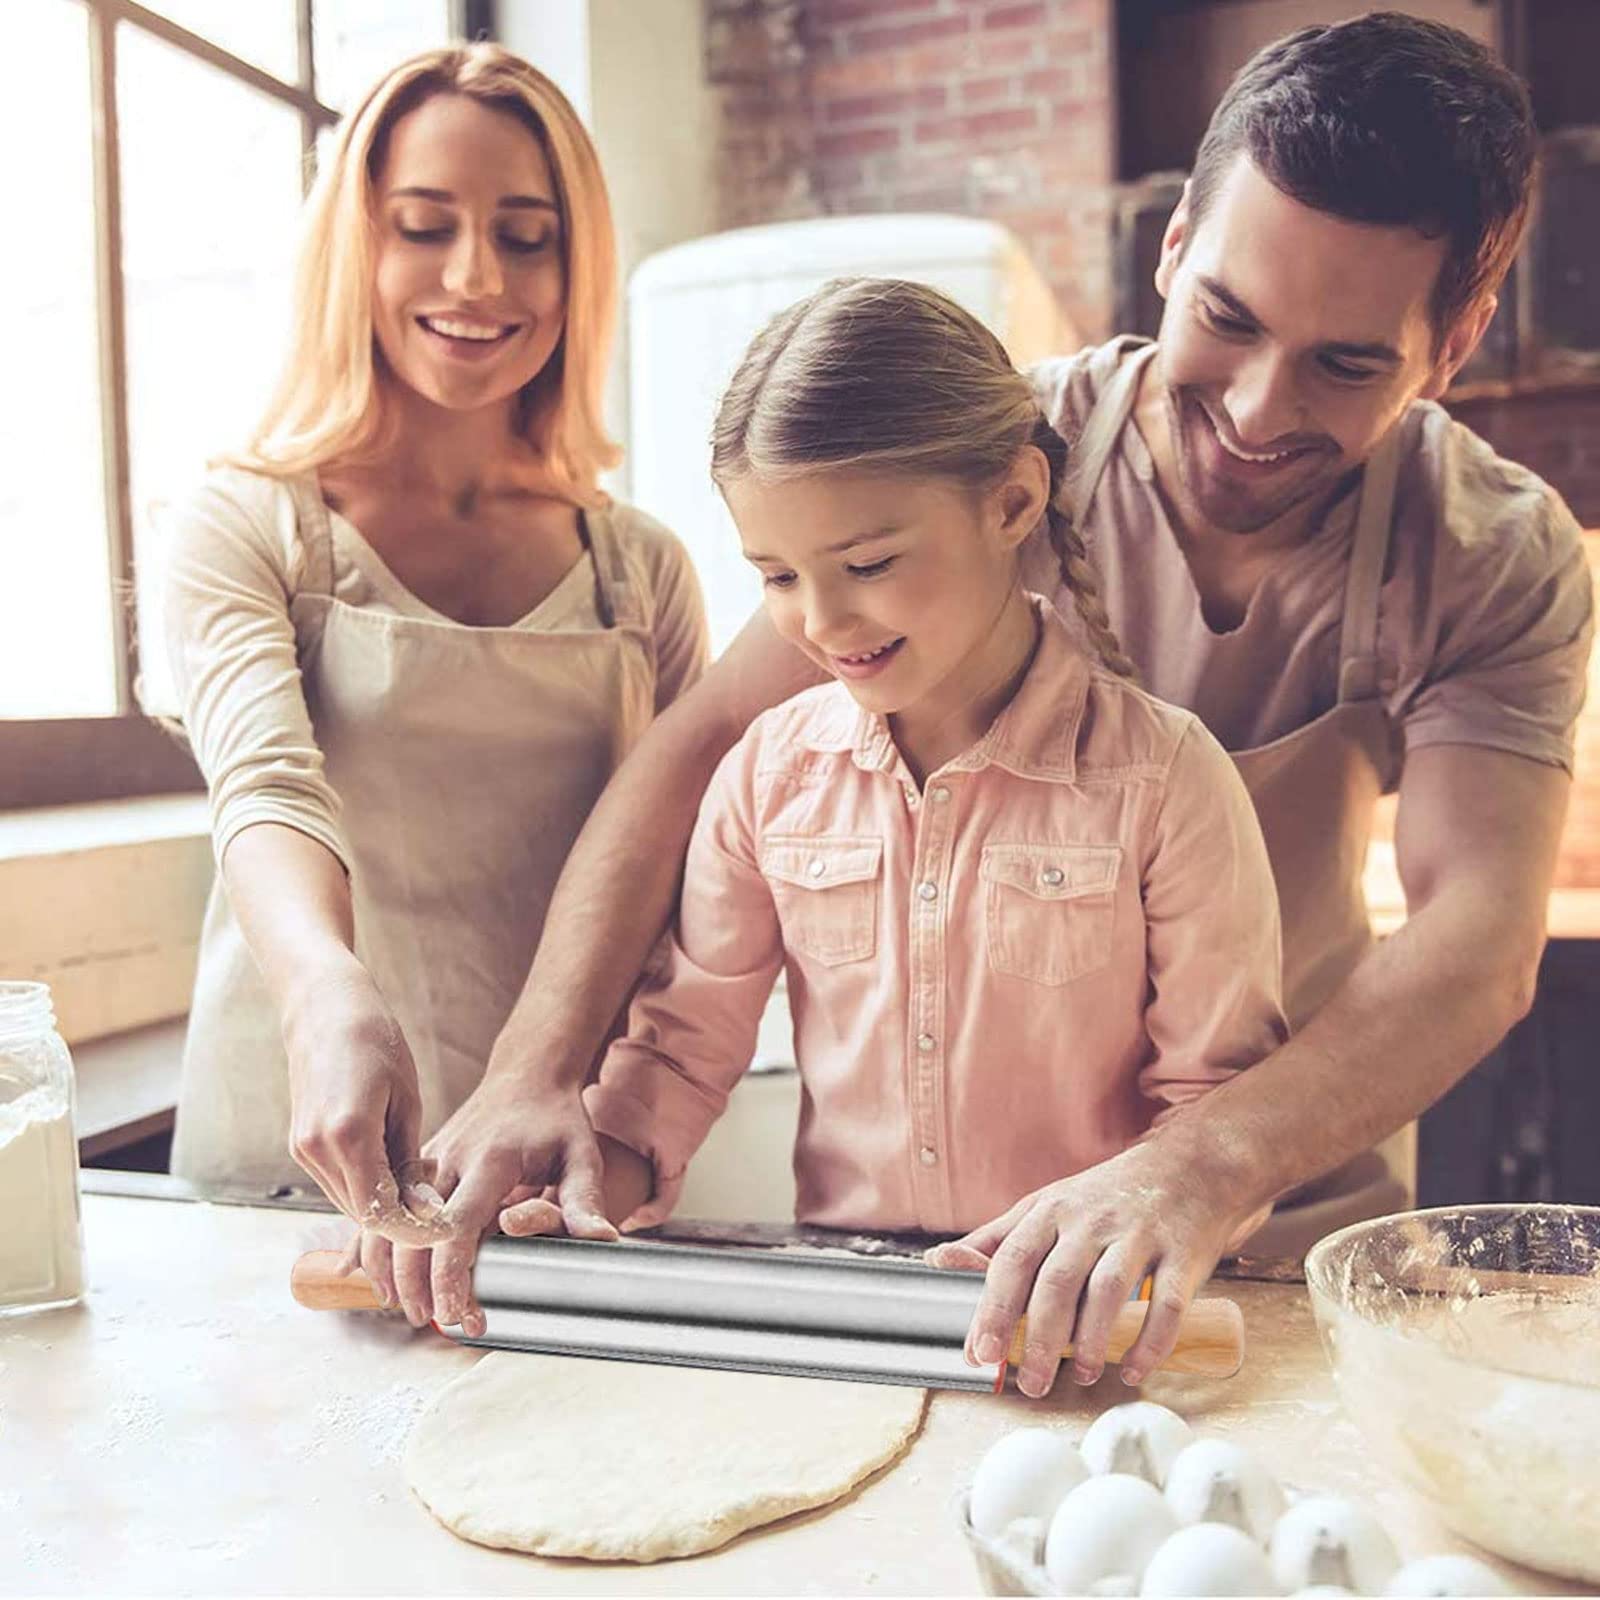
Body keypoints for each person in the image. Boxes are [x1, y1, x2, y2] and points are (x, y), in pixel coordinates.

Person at [397, 12, 1594, 1389]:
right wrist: (539, 1069)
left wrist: (1192, 1173)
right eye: (1227, 318)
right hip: (919, 1286)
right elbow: (707, 752)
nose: (1260, 411)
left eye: (1347, 363)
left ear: (1452, 347)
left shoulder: (1490, 547)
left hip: (1275, 1239)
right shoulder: (972, 466)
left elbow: (1480, 937)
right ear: (1173, 247)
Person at [502, 280, 1284, 1401]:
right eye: (776, 577)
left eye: (866, 565)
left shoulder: (1165, 781)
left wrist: (1123, 1242)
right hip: (843, 1322)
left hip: (1085, 1330)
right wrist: (586, 1189)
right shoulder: (768, 775)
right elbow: (676, 1058)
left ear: (1012, 501)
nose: (821, 624)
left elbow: (1215, 1106)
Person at [161, 45, 707, 1307]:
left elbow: (696, 880)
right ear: (357, 242)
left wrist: (623, 1127)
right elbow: (264, 787)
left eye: (527, 237)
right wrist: (323, 992)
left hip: (558, 1182)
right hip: (290, 1178)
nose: (476, 279)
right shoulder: (250, 523)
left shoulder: (640, 569)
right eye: (423, 227)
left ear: (579, 271)